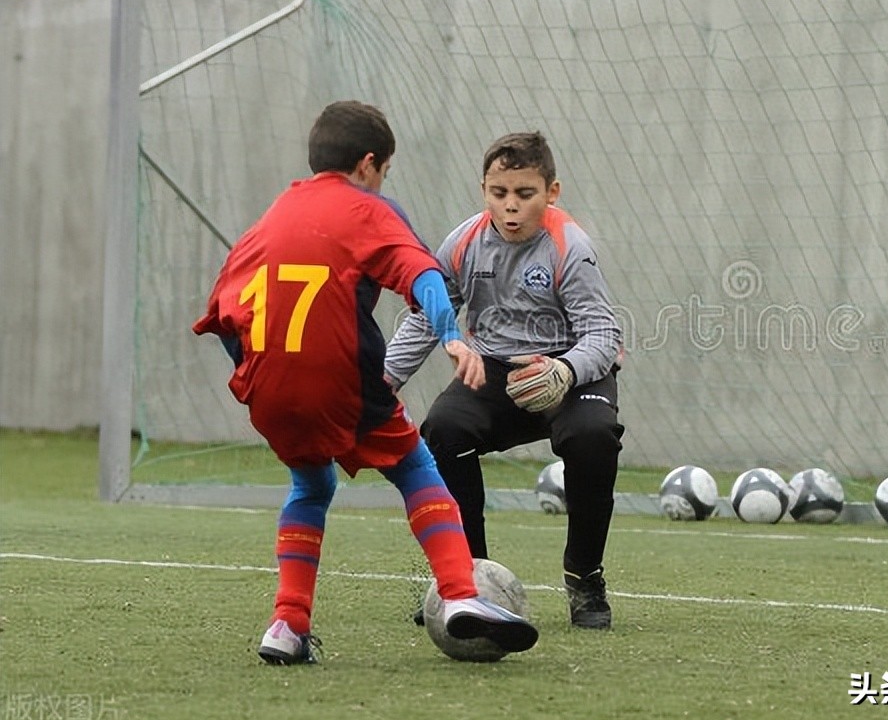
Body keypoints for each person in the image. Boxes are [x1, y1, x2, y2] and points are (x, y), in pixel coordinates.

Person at [192, 101, 538, 664]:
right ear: (368, 165)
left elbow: (222, 308)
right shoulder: (368, 209)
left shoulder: (275, 213)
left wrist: (257, 376)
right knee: (414, 467)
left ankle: (286, 624)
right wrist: (450, 334)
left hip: (268, 385)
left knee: (310, 487)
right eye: (384, 173)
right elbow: (422, 272)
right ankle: (458, 594)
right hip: (341, 380)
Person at [385, 130, 624, 630]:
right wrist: (384, 378)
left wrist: (565, 370)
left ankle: (584, 577)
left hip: (568, 367)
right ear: (485, 191)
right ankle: (465, 580)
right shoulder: (466, 241)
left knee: (593, 436)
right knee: (444, 430)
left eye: (525, 194)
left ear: (551, 193)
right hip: (495, 370)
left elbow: (603, 333)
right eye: (500, 194)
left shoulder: (570, 247)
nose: (511, 207)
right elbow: (431, 314)